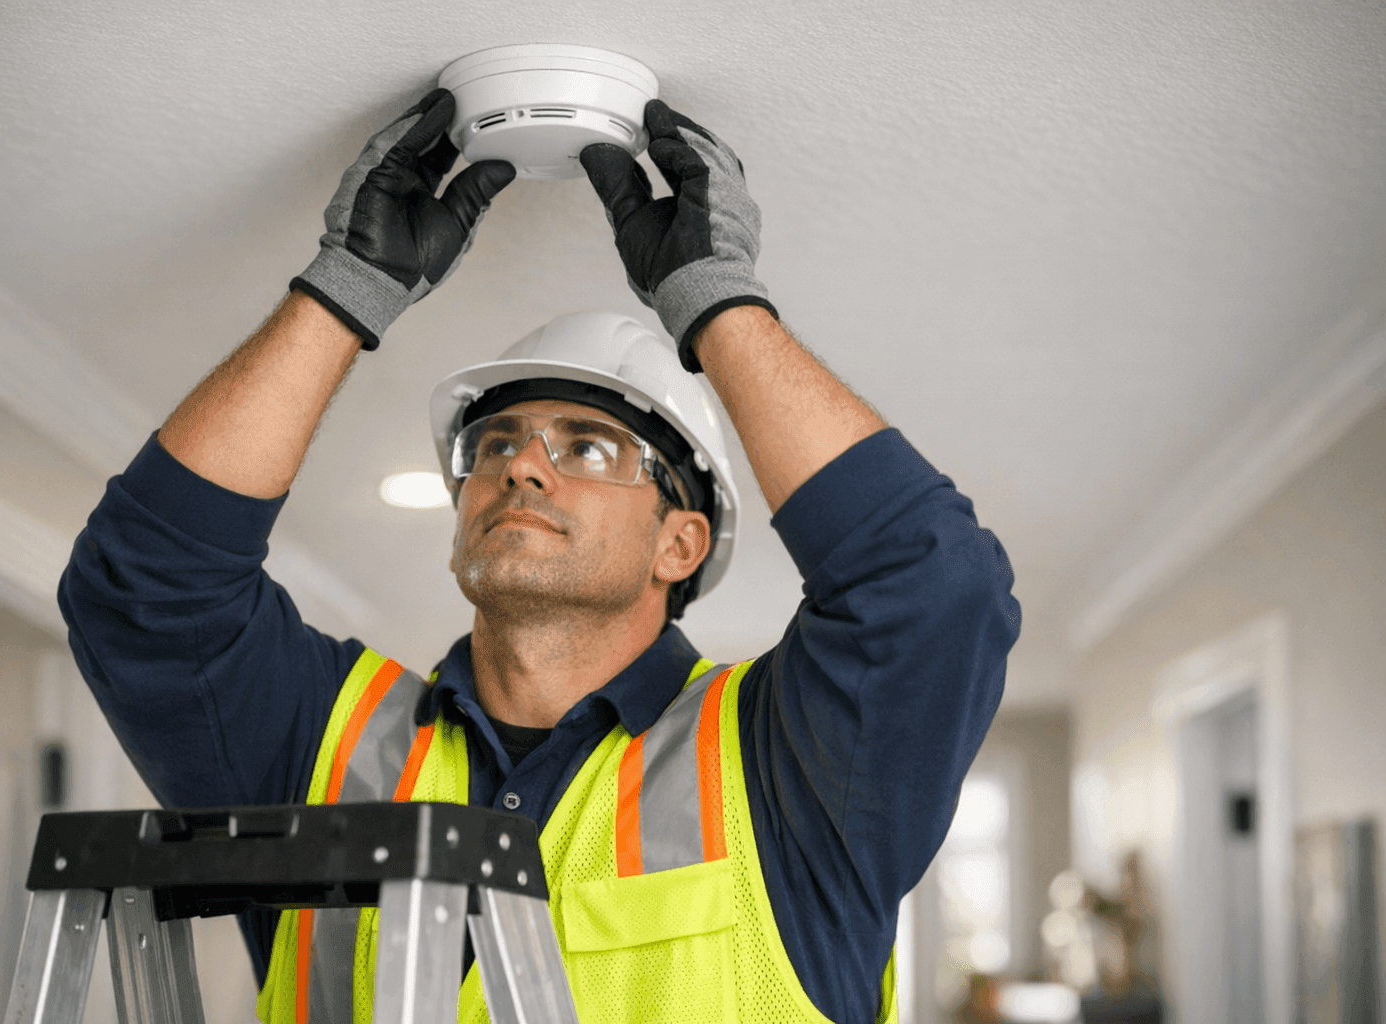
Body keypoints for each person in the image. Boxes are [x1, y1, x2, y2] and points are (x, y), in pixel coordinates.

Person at [60, 87, 1020, 1024]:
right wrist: (342, 292)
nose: (521, 465)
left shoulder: (787, 771)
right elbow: (145, 584)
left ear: (678, 543)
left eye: (589, 447)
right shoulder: (324, 743)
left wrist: (718, 305)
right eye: (494, 442)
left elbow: (933, 591)